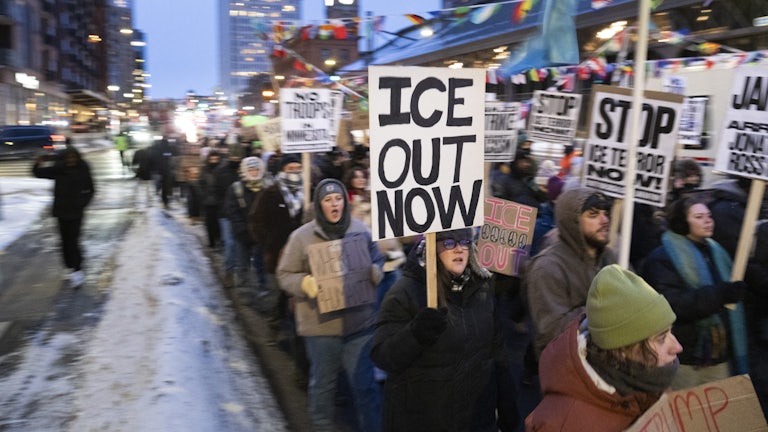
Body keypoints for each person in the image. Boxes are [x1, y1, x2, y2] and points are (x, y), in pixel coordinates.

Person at [371, 228, 520, 432]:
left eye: (465, 242)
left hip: (477, 420)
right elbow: (383, 356)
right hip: (424, 421)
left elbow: (497, 356)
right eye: (449, 242)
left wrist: (508, 413)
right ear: (432, 246)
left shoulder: (482, 289)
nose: (459, 249)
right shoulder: (404, 292)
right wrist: (415, 334)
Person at [277, 178, 384, 432]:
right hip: (321, 329)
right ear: (319, 205)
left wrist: (375, 271)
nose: (334, 204)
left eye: (338, 198)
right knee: (323, 386)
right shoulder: (301, 238)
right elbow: (284, 274)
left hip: (359, 326)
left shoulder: (360, 229)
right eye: (327, 200)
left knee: (365, 386)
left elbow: (377, 258)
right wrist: (305, 284)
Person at [526, 265, 683, 431]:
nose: (677, 347)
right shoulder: (562, 424)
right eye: (661, 338)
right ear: (622, 349)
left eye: (670, 332)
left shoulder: (650, 381)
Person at [640, 196, 748, 389]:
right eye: (699, 217)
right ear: (682, 223)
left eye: (709, 216)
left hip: (719, 355)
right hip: (685, 358)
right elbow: (673, 304)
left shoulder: (716, 252)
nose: (708, 221)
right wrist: (720, 294)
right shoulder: (662, 258)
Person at [525, 188, 617, 358]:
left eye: (606, 213)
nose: (605, 220)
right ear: (572, 222)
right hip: (567, 366)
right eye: (593, 214)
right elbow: (552, 331)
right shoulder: (547, 266)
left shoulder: (609, 256)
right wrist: (607, 307)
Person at [32, 145, 95, 288]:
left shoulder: (83, 168)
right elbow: (38, 173)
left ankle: (77, 269)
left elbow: (91, 189)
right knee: (64, 241)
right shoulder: (59, 168)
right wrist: (38, 162)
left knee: (73, 241)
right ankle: (69, 266)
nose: (71, 160)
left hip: (76, 212)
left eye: (73, 157)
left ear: (78, 158)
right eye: (68, 158)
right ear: (64, 159)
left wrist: (82, 203)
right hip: (61, 211)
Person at [224, 156, 268, 292]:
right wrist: (242, 230)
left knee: (262, 263)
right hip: (242, 234)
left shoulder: (267, 186)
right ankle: (244, 291)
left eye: (256, 169)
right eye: (251, 170)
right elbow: (232, 211)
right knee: (242, 264)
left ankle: (263, 288)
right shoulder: (237, 188)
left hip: (261, 234)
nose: (254, 173)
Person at [198, 150, 222, 249]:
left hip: (219, 201)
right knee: (209, 223)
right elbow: (201, 183)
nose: (214, 161)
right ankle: (212, 242)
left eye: (216, 159)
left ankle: (218, 240)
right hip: (208, 201)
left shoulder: (221, 170)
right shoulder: (205, 170)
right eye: (212, 159)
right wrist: (204, 195)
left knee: (219, 223)